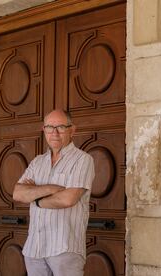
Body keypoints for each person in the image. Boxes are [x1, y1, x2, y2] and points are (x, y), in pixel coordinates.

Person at [13, 109, 95, 276]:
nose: (54, 133)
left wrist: (35, 198)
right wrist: (50, 188)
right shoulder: (37, 162)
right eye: (50, 127)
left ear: (72, 129)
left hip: (64, 248)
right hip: (34, 248)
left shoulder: (82, 160)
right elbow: (18, 193)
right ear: (44, 130)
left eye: (61, 127)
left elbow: (68, 199)